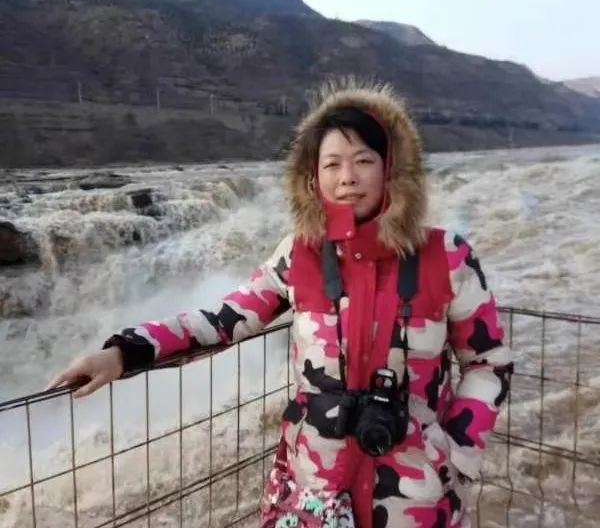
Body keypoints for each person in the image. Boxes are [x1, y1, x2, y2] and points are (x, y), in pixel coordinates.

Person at [48, 79, 513, 528]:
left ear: (390, 167)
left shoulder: (445, 256)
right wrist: (124, 352)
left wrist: (456, 453)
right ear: (313, 177)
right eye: (332, 164)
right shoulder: (300, 255)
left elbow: (488, 363)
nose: (347, 178)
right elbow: (222, 321)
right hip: (314, 491)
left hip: (416, 499)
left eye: (363, 161)